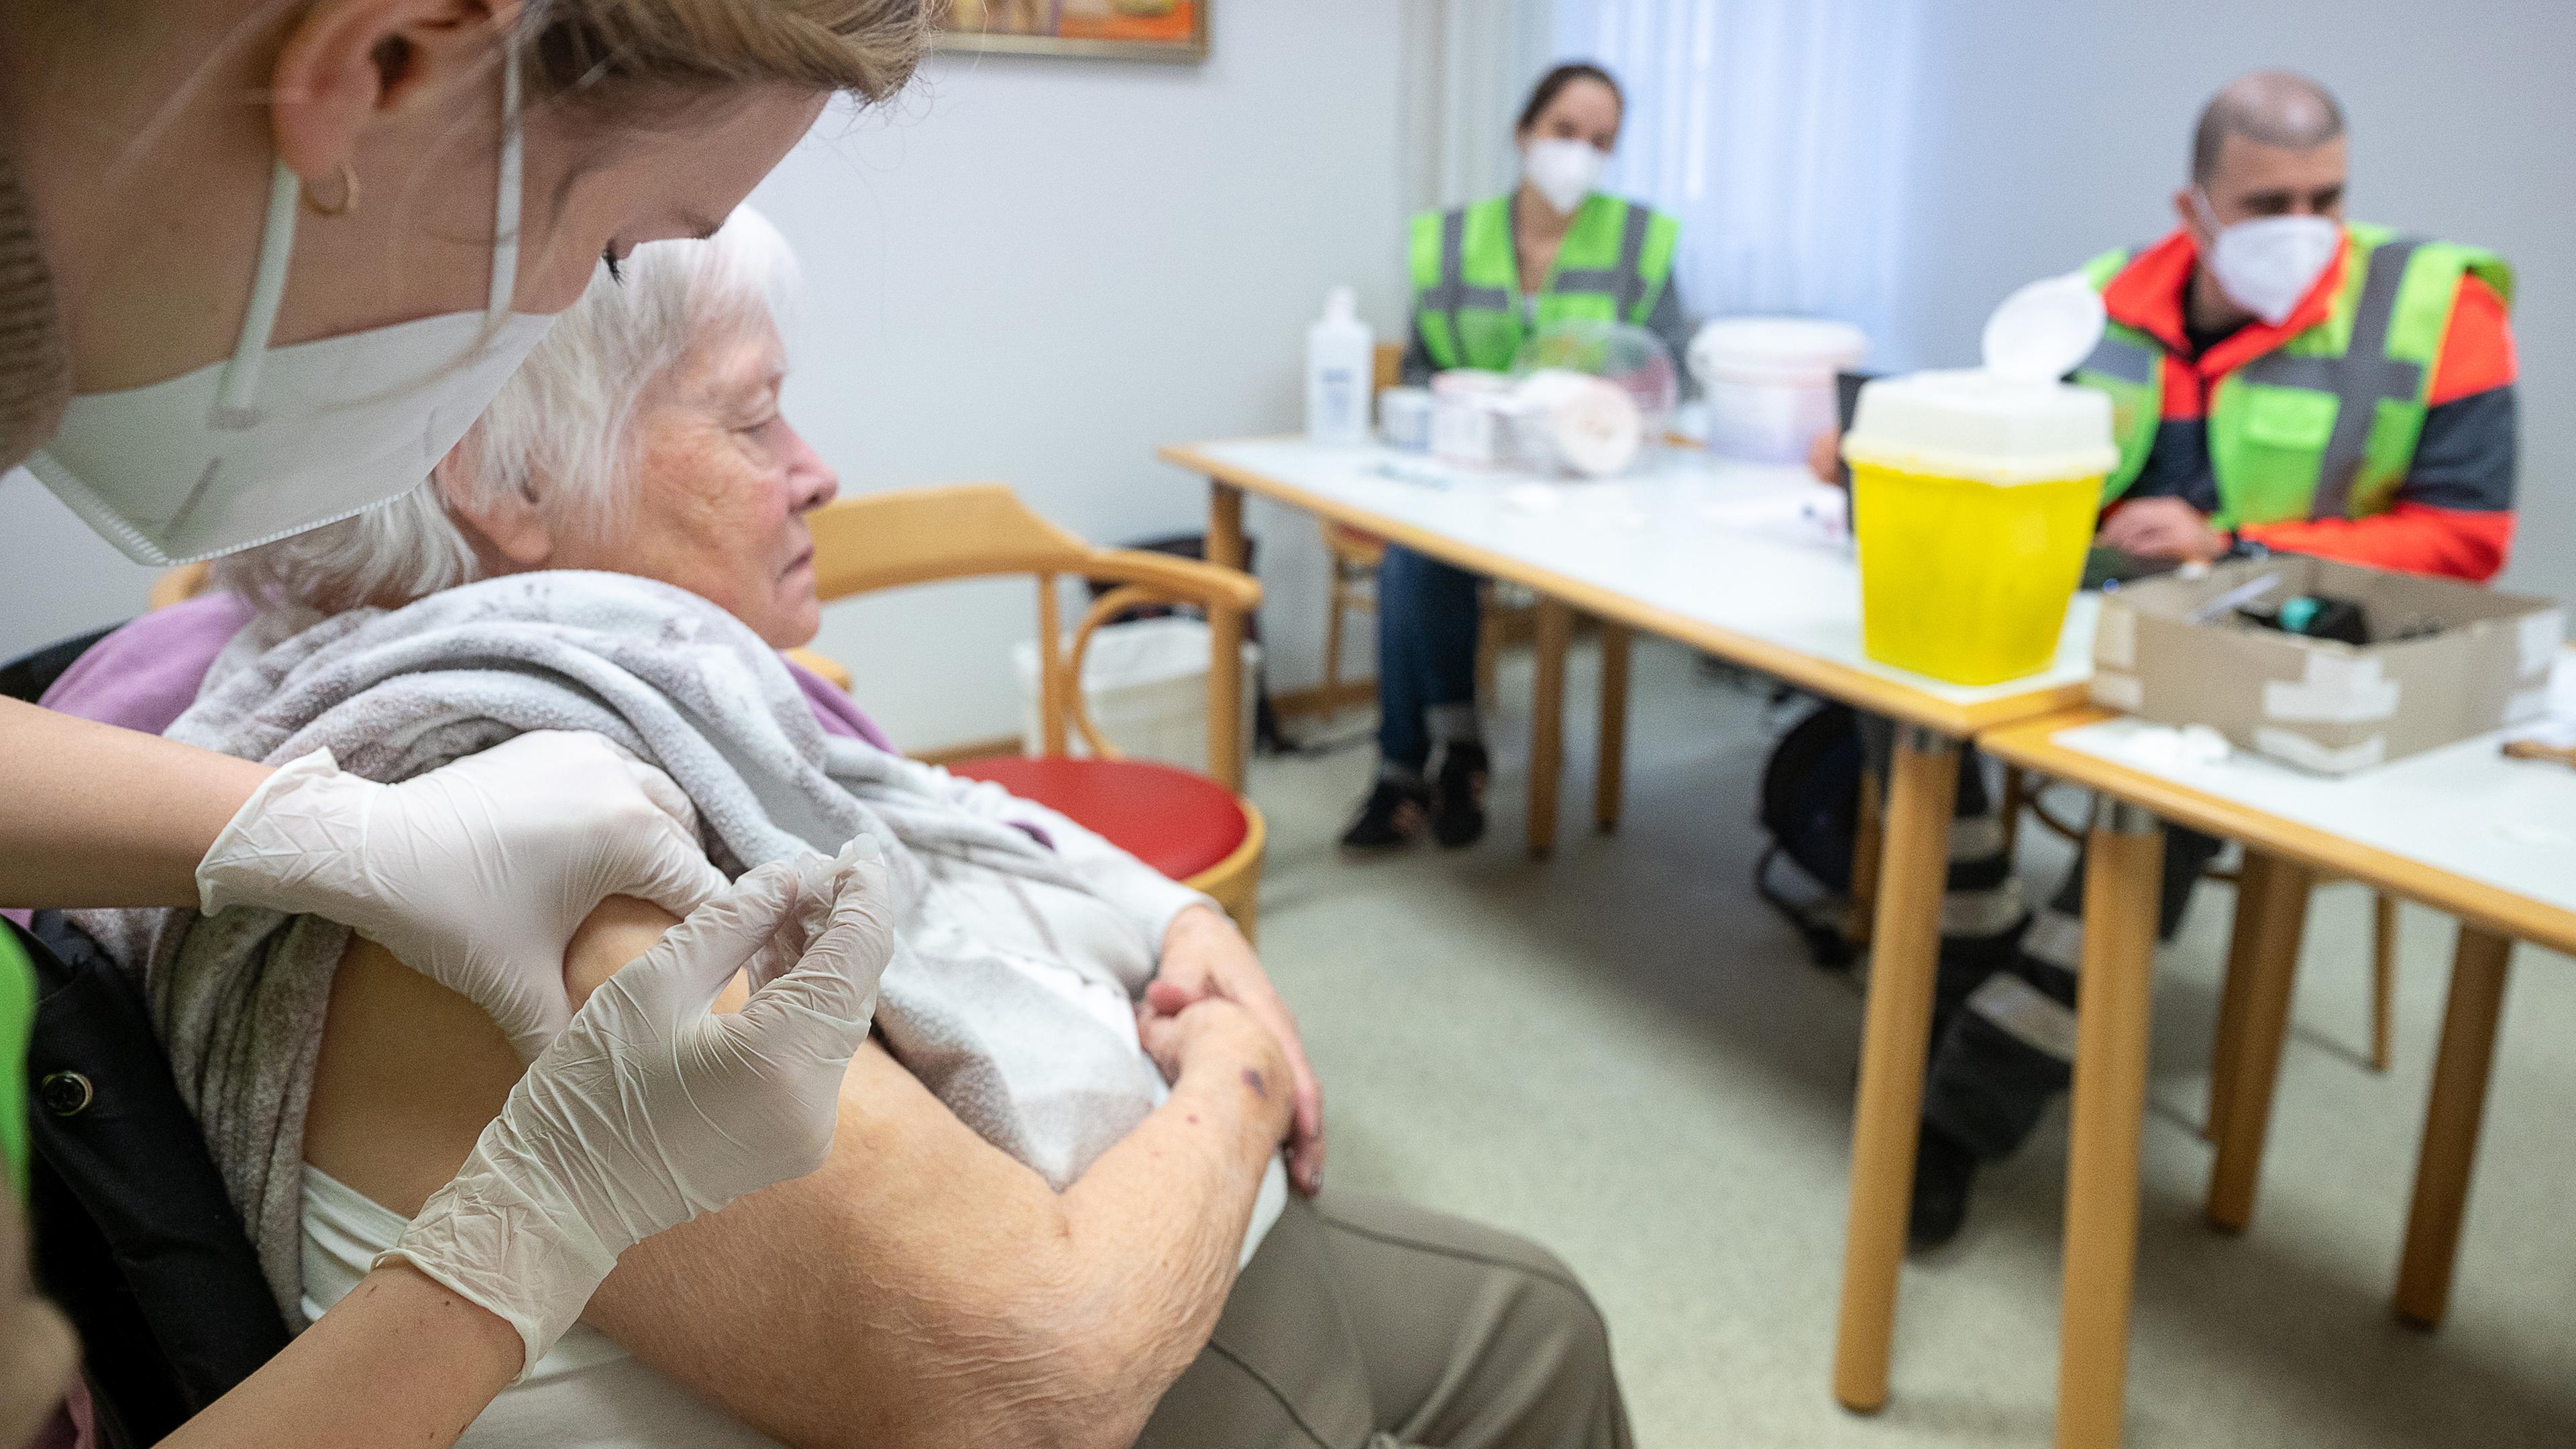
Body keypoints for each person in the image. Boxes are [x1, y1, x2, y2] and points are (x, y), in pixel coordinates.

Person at [63, 214, 1633, 1449]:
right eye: (753, 420)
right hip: (1109, 1336)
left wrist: (1182, 916)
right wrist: (1228, 1065)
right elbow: (1040, 1356)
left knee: (1544, 1319)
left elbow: (938, 806)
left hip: (1140, 1209)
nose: (817, 472)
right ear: (502, 471)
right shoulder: (520, 814)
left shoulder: (637, 687)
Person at [0, 1, 932, 1443]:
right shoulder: (493, 724)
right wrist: (538, 1225)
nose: (815, 474)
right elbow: (1010, 1351)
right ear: (379, 65)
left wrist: (317, 834)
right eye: (618, 245)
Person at [1896, 70, 2520, 1246]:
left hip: (2270, 642)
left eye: (2326, 197)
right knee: (1908, 695)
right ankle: (1978, 931)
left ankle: (1975, 1093)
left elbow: (2467, 539)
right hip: (2089, 613)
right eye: (2269, 201)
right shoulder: (2098, 301)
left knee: (2170, 782)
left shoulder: (2442, 309)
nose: (2305, 229)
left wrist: (2235, 544)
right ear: (2195, 210)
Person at [1344, 61, 1693, 851]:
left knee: (1417, 565)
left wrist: (1600, 405)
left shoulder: (1640, 241)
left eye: (1601, 141)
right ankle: (1429, 758)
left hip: (1587, 480)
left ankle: (1431, 760)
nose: (1580, 154)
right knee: (1412, 559)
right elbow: (1419, 374)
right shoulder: (1452, 242)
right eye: (1565, 132)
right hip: (1475, 470)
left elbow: (1671, 366)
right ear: (1524, 132)